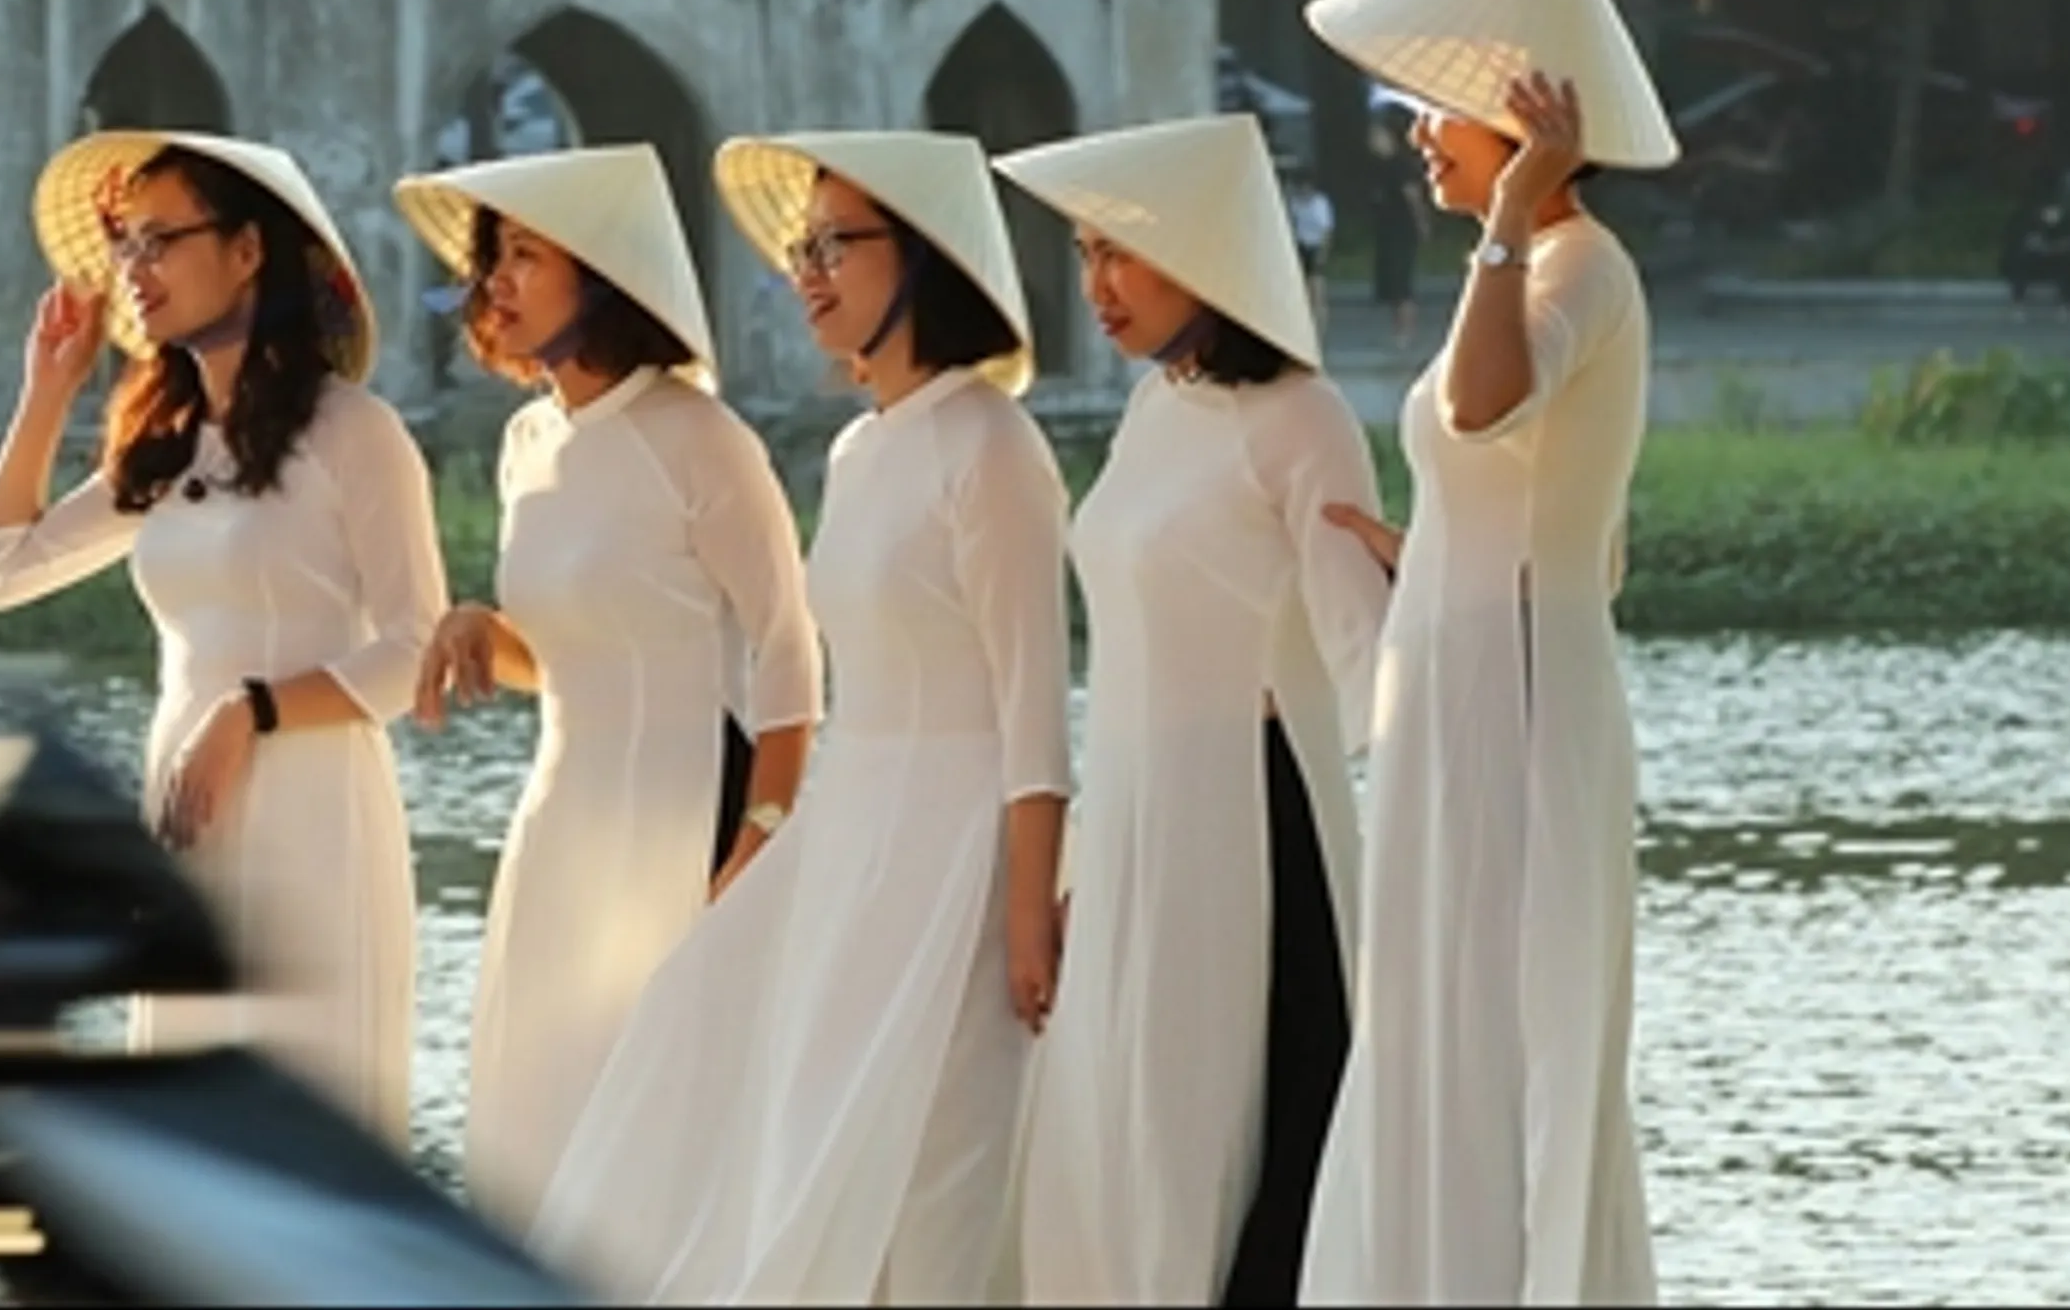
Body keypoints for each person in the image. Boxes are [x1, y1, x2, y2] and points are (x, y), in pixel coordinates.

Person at [529, 131, 1069, 1307]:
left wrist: (1030, 905)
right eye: (801, 244)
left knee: (937, 1154)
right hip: (852, 834)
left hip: (958, 845)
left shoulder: (993, 447)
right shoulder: (861, 447)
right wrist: (782, 831)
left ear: (922, 259)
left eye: (838, 244)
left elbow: (1037, 704)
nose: (807, 269)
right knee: (762, 1096)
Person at [1298, 0, 1677, 1306]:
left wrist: (1515, 217)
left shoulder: (1576, 266)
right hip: (1460, 676)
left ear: (1524, 127)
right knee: (1433, 1007)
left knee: (1509, 1011)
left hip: (1518, 691)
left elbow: (1481, 402)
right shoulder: (1524, 274)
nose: (1416, 140)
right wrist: (1432, 562)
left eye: (1438, 117)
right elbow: (1534, 495)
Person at [0, 128, 449, 1139]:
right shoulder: (166, 449)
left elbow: (413, 653)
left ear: (247, 250)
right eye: (123, 245)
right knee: (199, 1129)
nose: (134, 271)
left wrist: (249, 711)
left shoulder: (357, 435)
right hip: (188, 820)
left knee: (314, 1130)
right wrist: (46, 393)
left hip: (314, 812)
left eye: (160, 240)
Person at [994, 114, 1387, 1308]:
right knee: (1123, 1137)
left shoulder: (1300, 419)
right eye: (1083, 252)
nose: (1096, 284)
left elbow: (1366, 661)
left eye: (1124, 251)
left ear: (1209, 250)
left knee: (1238, 1130)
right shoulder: (1157, 407)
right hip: (1134, 831)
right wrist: (1085, 858)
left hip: (1248, 823)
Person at [395, 145, 821, 1236]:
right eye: (493, 257)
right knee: (540, 1124)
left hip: (687, 821)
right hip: (560, 826)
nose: (495, 281)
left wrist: (763, 838)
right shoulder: (527, 441)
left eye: (525, 254)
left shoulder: (701, 440)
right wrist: (485, 631)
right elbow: (568, 651)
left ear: (605, 272)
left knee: (666, 1141)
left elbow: (788, 656)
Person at [1366, 113, 1427, 350]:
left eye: (1376, 136)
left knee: (1403, 280)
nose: (1372, 141)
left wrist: (1421, 223)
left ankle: (1406, 332)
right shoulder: (1377, 166)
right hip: (1386, 230)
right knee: (1391, 281)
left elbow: (1412, 196)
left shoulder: (1400, 165)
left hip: (1402, 230)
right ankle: (1397, 329)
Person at [1283, 164, 1339, 315]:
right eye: (1300, 187)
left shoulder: (1320, 204)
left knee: (1317, 290)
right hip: (1299, 245)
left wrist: (1323, 253)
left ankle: (1320, 327)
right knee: (1299, 292)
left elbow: (1327, 230)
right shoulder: (1293, 202)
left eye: (1306, 187)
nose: (1303, 190)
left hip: (1315, 246)